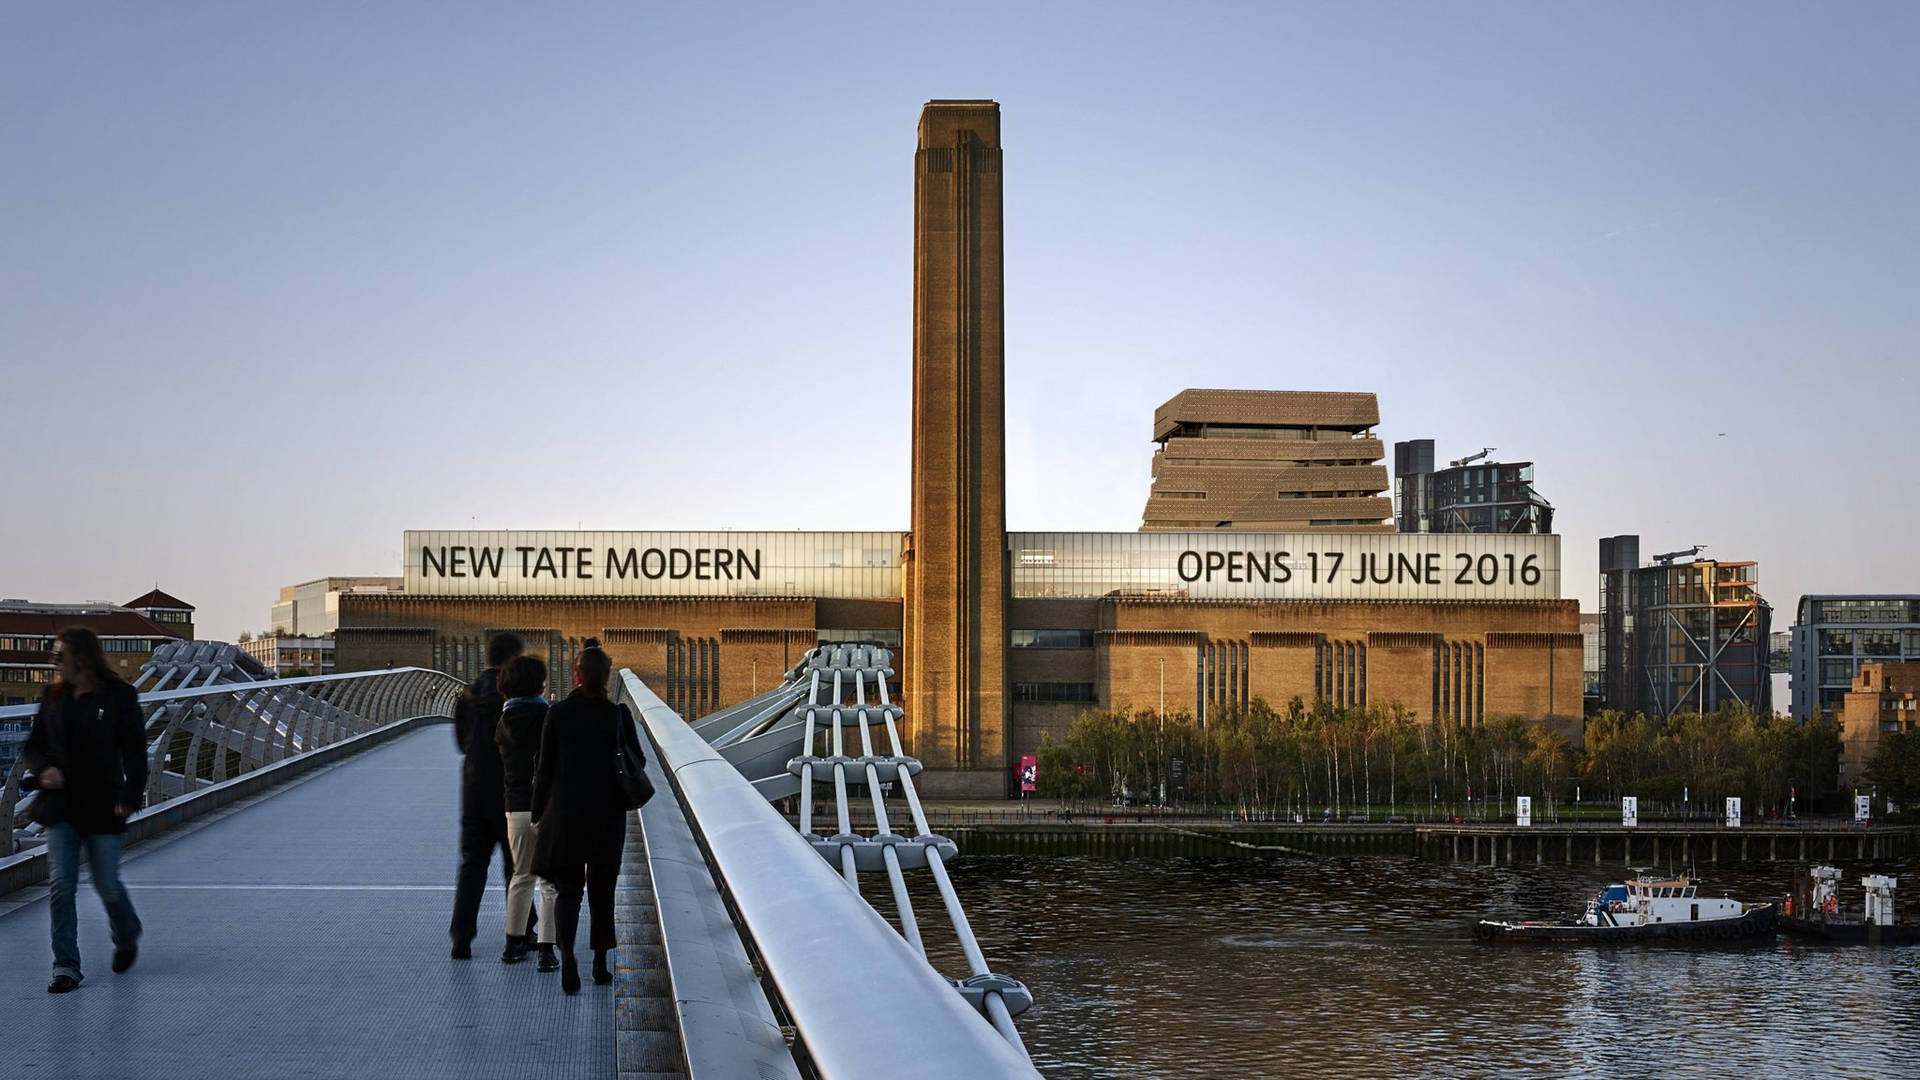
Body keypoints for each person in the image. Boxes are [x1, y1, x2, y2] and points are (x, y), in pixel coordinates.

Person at [20, 627, 147, 993]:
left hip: (104, 804)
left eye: (59, 656)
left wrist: (130, 793)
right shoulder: (53, 697)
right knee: (61, 886)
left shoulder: (120, 697)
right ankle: (66, 966)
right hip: (60, 806)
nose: (54, 662)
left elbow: (136, 753)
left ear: (82, 658)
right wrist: (44, 769)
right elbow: (34, 745)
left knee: (107, 885)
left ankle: (126, 933)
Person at [532, 644, 642, 994]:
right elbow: (638, 760)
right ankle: (599, 964)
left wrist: (537, 814)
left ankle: (567, 960)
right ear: (607, 677)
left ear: (576, 676)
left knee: (569, 892)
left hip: (566, 816)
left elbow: (544, 768)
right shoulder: (618, 716)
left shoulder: (557, 713)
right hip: (607, 818)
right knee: (602, 891)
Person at [449, 632, 524, 959]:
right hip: (509, 793)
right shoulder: (515, 698)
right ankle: (520, 932)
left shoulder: (466, 694)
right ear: (511, 660)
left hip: (474, 790)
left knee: (472, 865)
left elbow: (461, 743)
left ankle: (461, 937)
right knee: (516, 868)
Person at [494, 653, 555, 967]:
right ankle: (546, 951)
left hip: (515, 808)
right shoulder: (548, 718)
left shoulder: (503, 723)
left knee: (521, 876)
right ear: (538, 684)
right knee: (549, 881)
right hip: (546, 806)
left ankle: (513, 944)